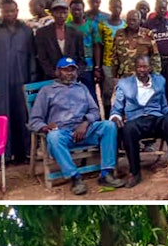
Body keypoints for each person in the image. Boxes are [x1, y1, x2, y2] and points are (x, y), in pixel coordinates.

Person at [28, 55, 121, 193]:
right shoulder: (47, 91)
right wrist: (44, 127)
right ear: (57, 72)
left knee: (109, 126)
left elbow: (94, 111)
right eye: (65, 70)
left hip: (84, 131)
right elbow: (34, 120)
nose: (69, 73)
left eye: (72, 70)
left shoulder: (81, 88)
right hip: (63, 133)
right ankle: (75, 178)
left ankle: (106, 173)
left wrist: (85, 123)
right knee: (53, 137)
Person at [110, 51, 168, 186]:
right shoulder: (125, 84)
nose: (142, 70)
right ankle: (135, 172)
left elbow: (164, 106)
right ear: (135, 68)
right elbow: (117, 108)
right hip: (136, 120)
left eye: (145, 67)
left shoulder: (159, 81)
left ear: (150, 68)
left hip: (156, 119)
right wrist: (115, 117)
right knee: (127, 129)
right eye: (139, 67)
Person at [0, 0, 35, 164]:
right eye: (6, 11)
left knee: (21, 116)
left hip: (22, 80)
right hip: (0, 81)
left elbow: (32, 57)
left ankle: (21, 154)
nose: (9, 14)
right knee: (0, 117)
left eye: (12, 11)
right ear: (1, 12)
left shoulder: (26, 30)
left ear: (17, 11)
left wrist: (31, 82)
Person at [33, 0, 85, 80]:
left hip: (71, 78)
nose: (61, 15)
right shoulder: (42, 33)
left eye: (64, 12)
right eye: (58, 12)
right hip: (50, 78)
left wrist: (74, 72)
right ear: (52, 13)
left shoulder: (76, 33)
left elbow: (81, 58)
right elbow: (42, 57)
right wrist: (54, 73)